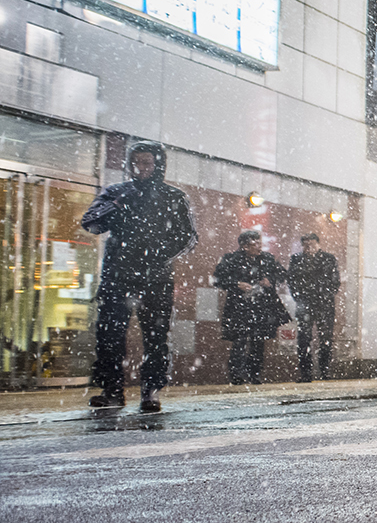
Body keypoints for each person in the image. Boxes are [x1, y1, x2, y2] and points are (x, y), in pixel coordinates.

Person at [80, 140, 197, 412]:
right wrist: (117, 204)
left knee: (156, 337)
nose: (140, 168)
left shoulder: (173, 197)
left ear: (158, 165)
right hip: (117, 277)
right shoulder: (116, 192)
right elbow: (90, 222)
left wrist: (157, 255)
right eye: (135, 162)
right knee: (109, 335)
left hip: (155, 278)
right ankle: (111, 390)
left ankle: (151, 391)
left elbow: (189, 237)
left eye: (146, 162)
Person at [214, 230, 288, 385]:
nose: (259, 247)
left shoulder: (267, 259)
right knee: (239, 341)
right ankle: (236, 375)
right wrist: (236, 284)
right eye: (255, 244)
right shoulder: (231, 259)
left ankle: (254, 374)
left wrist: (270, 280)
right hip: (239, 306)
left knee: (258, 341)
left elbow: (282, 275)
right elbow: (218, 278)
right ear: (244, 246)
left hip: (261, 306)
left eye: (259, 243)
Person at [288, 231, 341, 381]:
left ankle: (324, 371)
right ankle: (306, 373)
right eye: (305, 245)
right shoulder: (297, 259)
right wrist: (299, 297)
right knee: (304, 339)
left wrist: (325, 295)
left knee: (325, 338)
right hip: (305, 303)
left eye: (311, 244)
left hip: (324, 304)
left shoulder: (328, 259)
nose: (308, 248)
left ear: (318, 244)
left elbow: (335, 281)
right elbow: (291, 280)